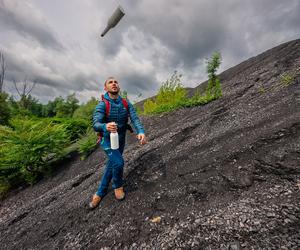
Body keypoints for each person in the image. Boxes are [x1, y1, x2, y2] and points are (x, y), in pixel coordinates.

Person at [90, 76, 147, 209]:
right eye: (110, 82)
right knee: (119, 162)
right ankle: (117, 186)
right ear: (106, 88)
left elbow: (135, 118)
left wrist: (141, 131)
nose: (114, 84)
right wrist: (105, 126)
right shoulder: (102, 104)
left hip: (120, 138)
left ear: (118, 87)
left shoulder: (126, 103)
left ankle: (100, 192)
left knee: (112, 163)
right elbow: (96, 123)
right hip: (107, 139)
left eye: (116, 82)